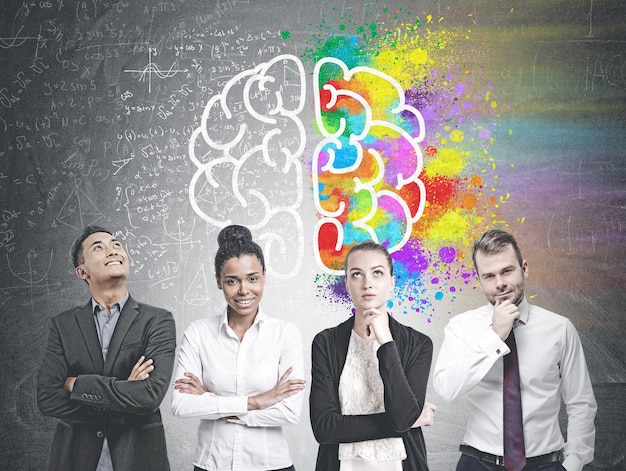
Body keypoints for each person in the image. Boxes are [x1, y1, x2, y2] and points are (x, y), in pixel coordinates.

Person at [433, 229, 597, 471]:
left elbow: (581, 402)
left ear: (524, 268)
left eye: (507, 271)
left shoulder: (559, 329)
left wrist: (573, 463)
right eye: (489, 276)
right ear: (479, 280)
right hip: (478, 463)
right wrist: (494, 337)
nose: (500, 283)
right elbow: (446, 389)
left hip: (545, 464)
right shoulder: (461, 327)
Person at [36, 226, 176, 471]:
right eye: (98, 247)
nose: (113, 250)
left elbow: (149, 396)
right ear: (82, 271)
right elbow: (48, 399)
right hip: (74, 459)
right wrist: (124, 400)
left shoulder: (158, 320)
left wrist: (75, 384)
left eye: (117, 245)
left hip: (138, 459)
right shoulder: (63, 325)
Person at [171, 224, 306, 471]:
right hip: (212, 464)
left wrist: (211, 401)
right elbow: (182, 405)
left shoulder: (285, 334)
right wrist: (257, 401)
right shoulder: (198, 333)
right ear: (218, 282)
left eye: (252, 278)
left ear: (264, 275)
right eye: (232, 281)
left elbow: (289, 412)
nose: (244, 290)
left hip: (270, 464)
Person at [310, 240, 436, 471]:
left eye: (377, 273)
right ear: (347, 284)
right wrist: (410, 422)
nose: (367, 283)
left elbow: (402, 416)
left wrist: (386, 342)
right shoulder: (325, 343)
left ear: (391, 282)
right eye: (357, 274)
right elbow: (324, 428)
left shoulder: (418, 344)